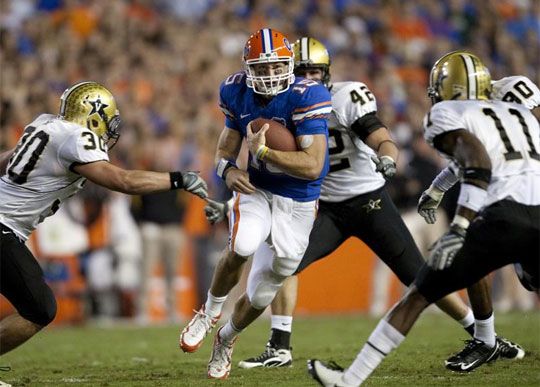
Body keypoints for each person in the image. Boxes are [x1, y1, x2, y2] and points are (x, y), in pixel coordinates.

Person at [205, 37, 476, 370]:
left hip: (367, 200)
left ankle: (478, 330)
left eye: (314, 71)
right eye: (302, 70)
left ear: (327, 73)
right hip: (326, 206)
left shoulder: (345, 97)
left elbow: (380, 135)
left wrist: (388, 157)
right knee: (284, 266)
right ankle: (279, 345)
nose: (308, 77)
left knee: (417, 274)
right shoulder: (281, 101)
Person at [307, 51, 540, 386]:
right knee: (522, 279)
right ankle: (486, 340)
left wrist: (459, 226)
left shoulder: (446, 112)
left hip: (505, 213)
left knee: (418, 294)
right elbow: (481, 155)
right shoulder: (520, 112)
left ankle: (349, 381)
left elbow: (477, 164)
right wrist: (438, 188)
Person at [0, 81, 208, 356]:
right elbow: (123, 180)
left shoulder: (45, 124)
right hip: (4, 226)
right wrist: (179, 178)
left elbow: (9, 158)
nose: (110, 127)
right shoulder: (76, 138)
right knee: (40, 309)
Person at [178, 28, 332, 380]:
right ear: (248, 69)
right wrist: (227, 170)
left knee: (262, 294)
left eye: (276, 66)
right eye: (261, 69)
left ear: (290, 64)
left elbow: (312, 166)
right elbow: (227, 144)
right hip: (257, 189)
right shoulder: (235, 91)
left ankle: (226, 339)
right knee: (243, 243)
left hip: (299, 203)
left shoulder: (307, 95)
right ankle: (209, 311)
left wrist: (263, 151)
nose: (269, 75)